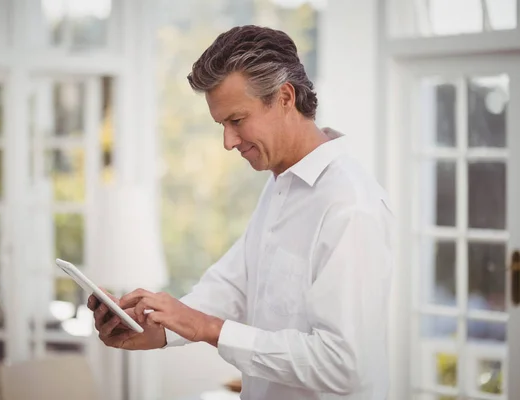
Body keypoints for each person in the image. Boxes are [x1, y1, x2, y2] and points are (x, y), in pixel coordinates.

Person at [88, 25, 394, 400]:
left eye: (236, 120)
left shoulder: (350, 205)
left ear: (284, 97)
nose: (228, 142)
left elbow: (343, 364)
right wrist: (152, 329)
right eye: (222, 125)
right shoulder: (281, 186)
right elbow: (231, 287)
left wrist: (208, 328)